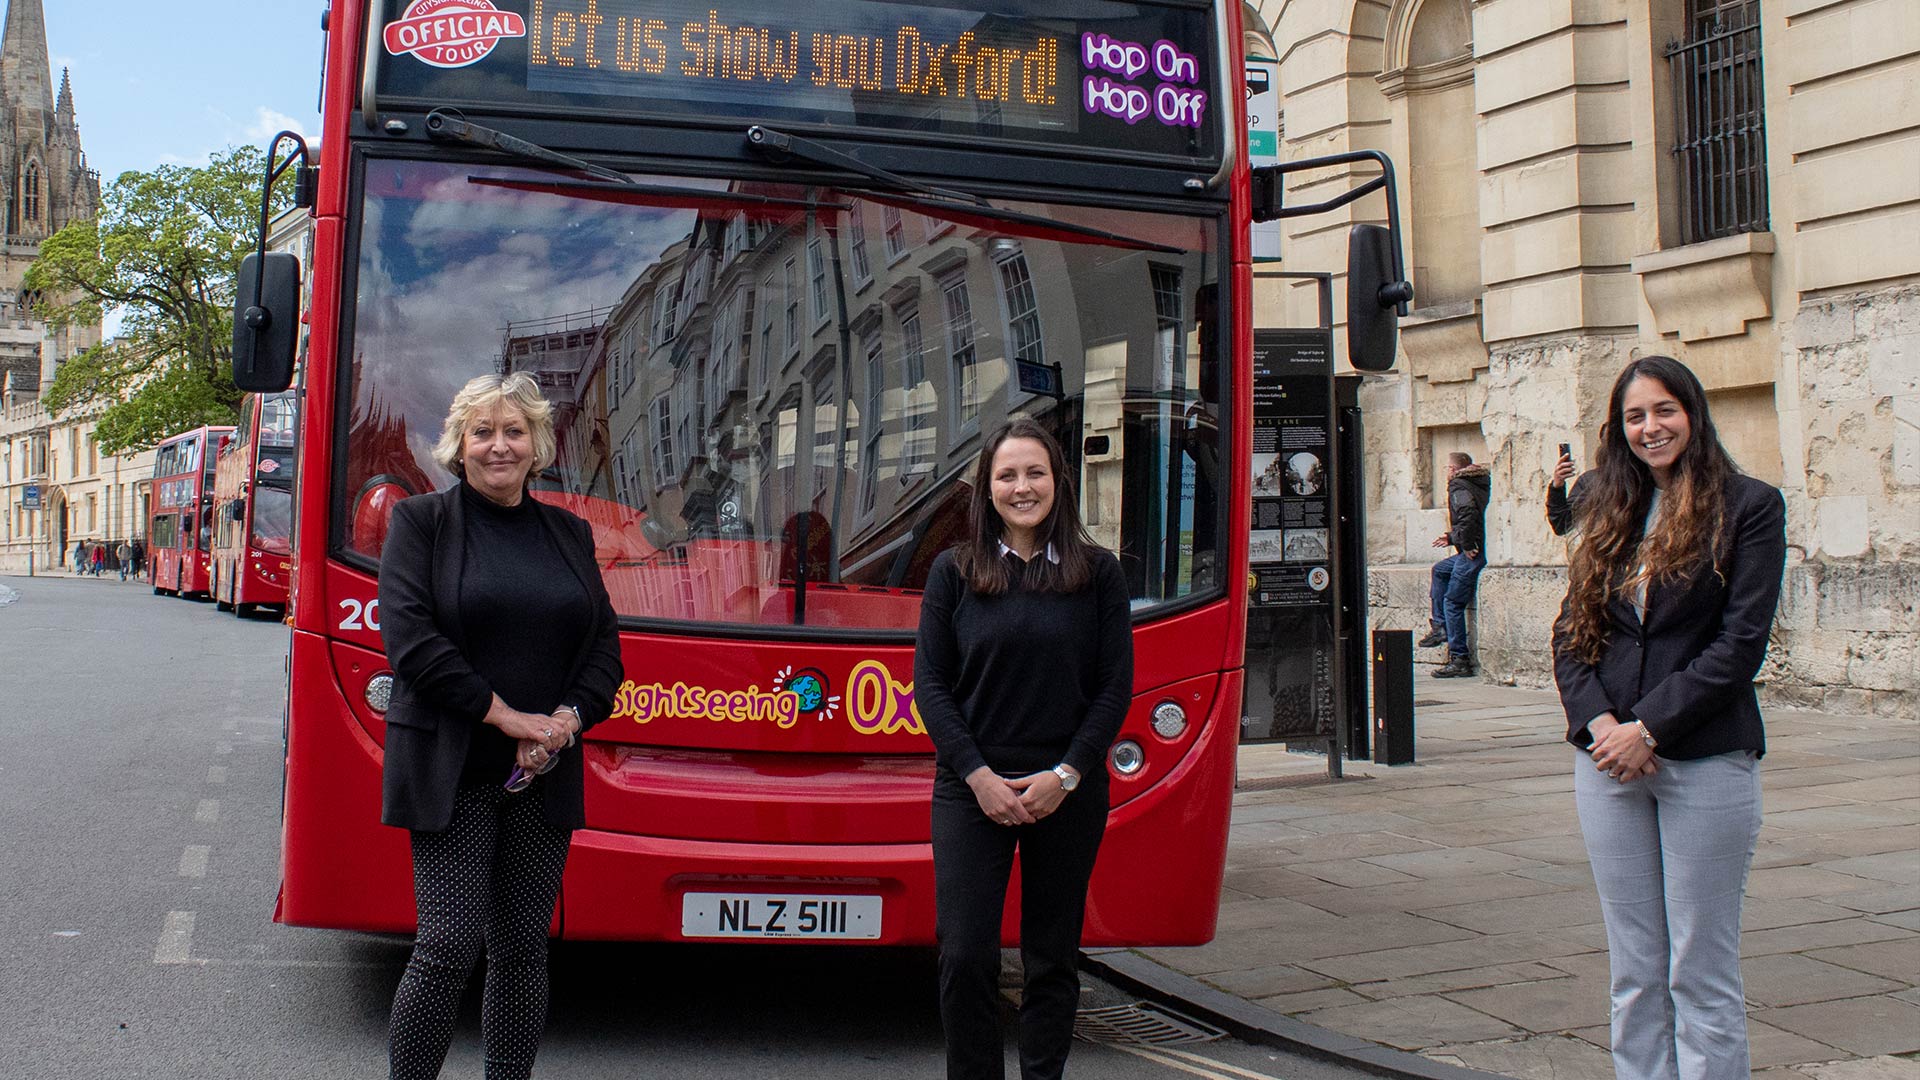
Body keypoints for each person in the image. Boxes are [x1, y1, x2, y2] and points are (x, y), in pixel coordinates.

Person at [377, 372, 624, 1080]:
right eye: (483, 431)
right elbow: (413, 644)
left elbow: (604, 646)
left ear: (538, 443)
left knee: (522, 951)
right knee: (447, 947)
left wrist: (565, 723)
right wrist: (509, 717)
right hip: (454, 770)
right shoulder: (421, 524)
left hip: (541, 775)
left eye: (514, 431)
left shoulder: (569, 533)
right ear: (459, 443)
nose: (498, 446)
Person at [1553, 355, 1785, 1080]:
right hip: (1607, 764)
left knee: (1699, 971)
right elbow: (1570, 632)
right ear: (1619, 430)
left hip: (1705, 757)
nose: (1650, 427)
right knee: (1634, 972)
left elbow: (1739, 644)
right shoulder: (1603, 501)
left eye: (1663, 411)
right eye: (1634, 416)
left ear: (1693, 414)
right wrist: (1600, 729)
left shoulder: (1749, 505)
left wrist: (1645, 729)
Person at [914, 416, 1133, 1080]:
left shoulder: (1099, 574)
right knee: (966, 956)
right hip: (970, 786)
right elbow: (931, 686)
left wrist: (1066, 775)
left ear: (1058, 482)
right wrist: (979, 776)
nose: (1022, 486)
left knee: (1050, 957)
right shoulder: (953, 573)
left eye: (1035, 472)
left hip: (1065, 788)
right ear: (987, 488)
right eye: (1007, 475)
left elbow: (1114, 687)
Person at [1416, 452, 1491, 676]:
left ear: (1455, 469)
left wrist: (1466, 544)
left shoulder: (1458, 485)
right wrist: (1451, 538)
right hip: (1473, 547)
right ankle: (1439, 626)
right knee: (1439, 570)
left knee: (1452, 602)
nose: (1446, 471)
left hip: (1471, 553)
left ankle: (1459, 658)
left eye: (1448, 467)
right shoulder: (1479, 482)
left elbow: (1467, 514)